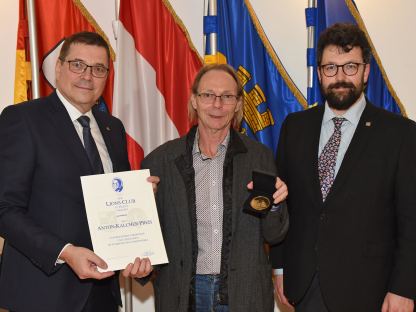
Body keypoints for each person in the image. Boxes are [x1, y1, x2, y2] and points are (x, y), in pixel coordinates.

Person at [0, 31, 153, 312]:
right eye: (77, 65)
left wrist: (140, 198)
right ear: (59, 68)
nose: (87, 76)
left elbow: (116, 202)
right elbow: (5, 209)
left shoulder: (113, 128)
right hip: (42, 294)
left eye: (98, 69)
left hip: (103, 294)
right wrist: (65, 252)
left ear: (107, 76)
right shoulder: (23, 119)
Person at [271, 23, 416, 312]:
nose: (340, 77)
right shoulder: (294, 128)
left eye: (350, 66)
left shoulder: (400, 134)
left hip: (372, 290)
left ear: (366, 71)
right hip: (305, 285)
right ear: (319, 73)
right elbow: (282, 204)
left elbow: (412, 219)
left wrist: (404, 288)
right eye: (330, 68)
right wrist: (280, 268)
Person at [141, 63, 289, 312]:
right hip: (181, 294)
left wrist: (275, 206)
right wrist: (139, 263)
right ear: (194, 100)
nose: (217, 105)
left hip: (244, 294)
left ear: (238, 104)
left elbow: (275, 235)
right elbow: (147, 235)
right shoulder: (160, 161)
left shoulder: (259, 158)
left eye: (227, 96)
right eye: (208, 95)